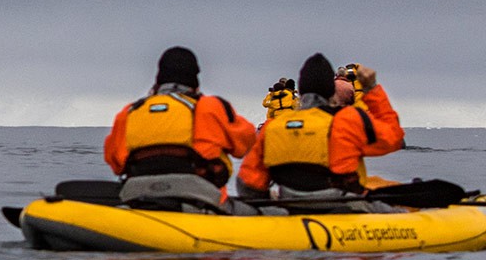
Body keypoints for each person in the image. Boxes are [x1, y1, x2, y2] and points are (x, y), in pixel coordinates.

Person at [236, 53, 405, 207]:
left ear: (300, 92)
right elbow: (394, 137)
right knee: (399, 213)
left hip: (291, 207)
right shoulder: (347, 121)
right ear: (331, 91)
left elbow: (248, 185)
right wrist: (372, 89)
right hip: (344, 207)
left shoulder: (272, 128)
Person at [103, 46, 257, 210]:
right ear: (194, 79)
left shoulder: (130, 112)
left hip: (138, 194)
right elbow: (244, 145)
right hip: (200, 197)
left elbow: (116, 163)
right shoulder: (209, 107)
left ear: (159, 78)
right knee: (252, 213)